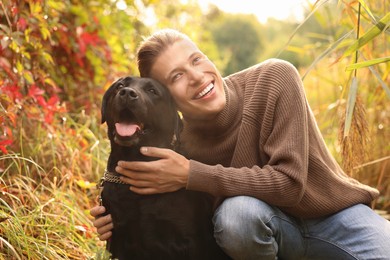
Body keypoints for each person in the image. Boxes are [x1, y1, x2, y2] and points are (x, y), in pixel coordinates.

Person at [90, 28, 390, 259]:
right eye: (177, 76)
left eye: (196, 60)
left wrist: (192, 174)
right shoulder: (177, 145)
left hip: (336, 217)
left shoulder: (274, 78)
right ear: (166, 102)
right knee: (237, 217)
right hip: (259, 230)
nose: (196, 76)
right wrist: (115, 221)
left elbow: (290, 183)